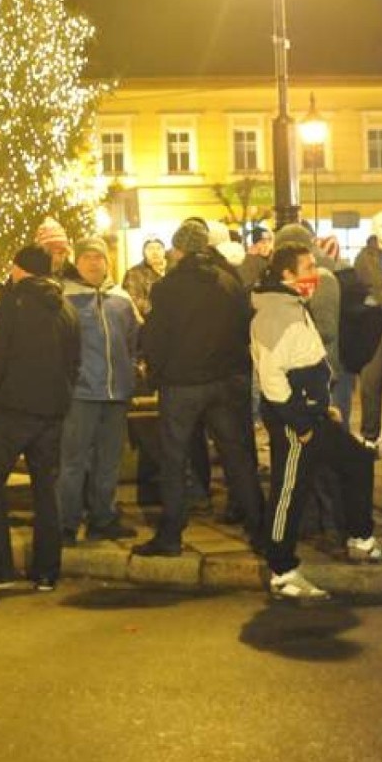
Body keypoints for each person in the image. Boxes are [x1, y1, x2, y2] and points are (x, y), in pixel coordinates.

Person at [251, 242, 382, 600]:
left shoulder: (291, 304)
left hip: (311, 412)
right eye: (307, 267)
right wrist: (302, 423)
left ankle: (360, 537)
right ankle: (282, 570)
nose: (314, 273)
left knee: (356, 461)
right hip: (296, 418)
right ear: (286, 273)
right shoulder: (274, 313)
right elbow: (272, 379)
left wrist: (322, 406)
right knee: (288, 492)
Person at [132, 219, 265, 558]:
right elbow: (243, 329)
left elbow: (155, 337)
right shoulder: (228, 282)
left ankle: (172, 534)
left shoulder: (169, 286)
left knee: (174, 460)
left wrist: (157, 374)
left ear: (179, 249)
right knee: (236, 458)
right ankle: (261, 530)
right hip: (224, 381)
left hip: (182, 384)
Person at [0, 244, 80, 592]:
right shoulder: (66, 308)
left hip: (10, 412)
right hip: (52, 412)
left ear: (19, 269)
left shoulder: (11, 305)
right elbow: (74, 362)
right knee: (47, 490)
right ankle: (47, 571)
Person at [58, 237, 138, 544]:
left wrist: (128, 372)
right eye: (88, 257)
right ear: (77, 262)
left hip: (116, 392)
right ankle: (67, 521)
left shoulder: (121, 299)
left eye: (99, 257)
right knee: (73, 461)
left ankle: (103, 517)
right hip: (81, 393)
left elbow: (131, 340)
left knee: (109, 460)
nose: (94, 262)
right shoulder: (66, 298)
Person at [355, 209, 382, 443]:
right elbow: (358, 290)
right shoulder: (363, 258)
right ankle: (369, 437)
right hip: (372, 331)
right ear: (374, 230)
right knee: (370, 386)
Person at [122, 237, 167, 321]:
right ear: (144, 252)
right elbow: (133, 299)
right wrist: (159, 310)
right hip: (147, 321)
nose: (155, 252)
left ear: (164, 251)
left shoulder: (172, 271)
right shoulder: (134, 273)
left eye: (158, 248)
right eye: (150, 249)